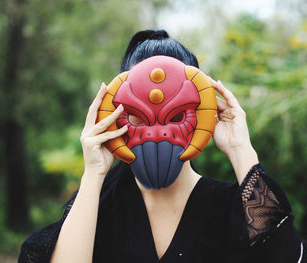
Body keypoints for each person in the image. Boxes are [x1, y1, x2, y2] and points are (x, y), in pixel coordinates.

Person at [18, 30, 306, 263]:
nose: (157, 133)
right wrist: (93, 173)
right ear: (114, 112)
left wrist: (240, 148)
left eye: (177, 114)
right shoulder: (99, 209)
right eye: (136, 115)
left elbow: (285, 254)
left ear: (202, 110)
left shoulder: (235, 208)